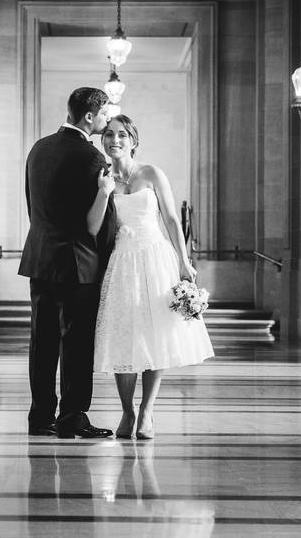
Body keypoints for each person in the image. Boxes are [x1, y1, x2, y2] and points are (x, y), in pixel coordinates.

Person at [88, 114, 214, 440]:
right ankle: (127, 411)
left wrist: (184, 261)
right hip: (122, 261)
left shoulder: (152, 173)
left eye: (121, 135)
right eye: (109, 135)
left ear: (133, 140)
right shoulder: (101, 179)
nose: (115, 140)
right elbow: (94, 227)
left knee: (156, 333)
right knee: (125, 333)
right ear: (103, 141)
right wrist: (103, 192)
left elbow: (172, 219)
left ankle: (147, 411)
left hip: (156, 257)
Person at [18, 87, 115, 439]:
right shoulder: (91, 157)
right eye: (105, 114)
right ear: (89, 116)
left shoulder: (38, 149)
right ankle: (72, 416)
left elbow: (32, 205)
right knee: (75, 344)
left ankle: (40, 415)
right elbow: (100, 225)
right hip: (78, 264)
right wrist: (109, 259)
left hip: (40, 259)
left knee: (41, 340)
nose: (106, 120)